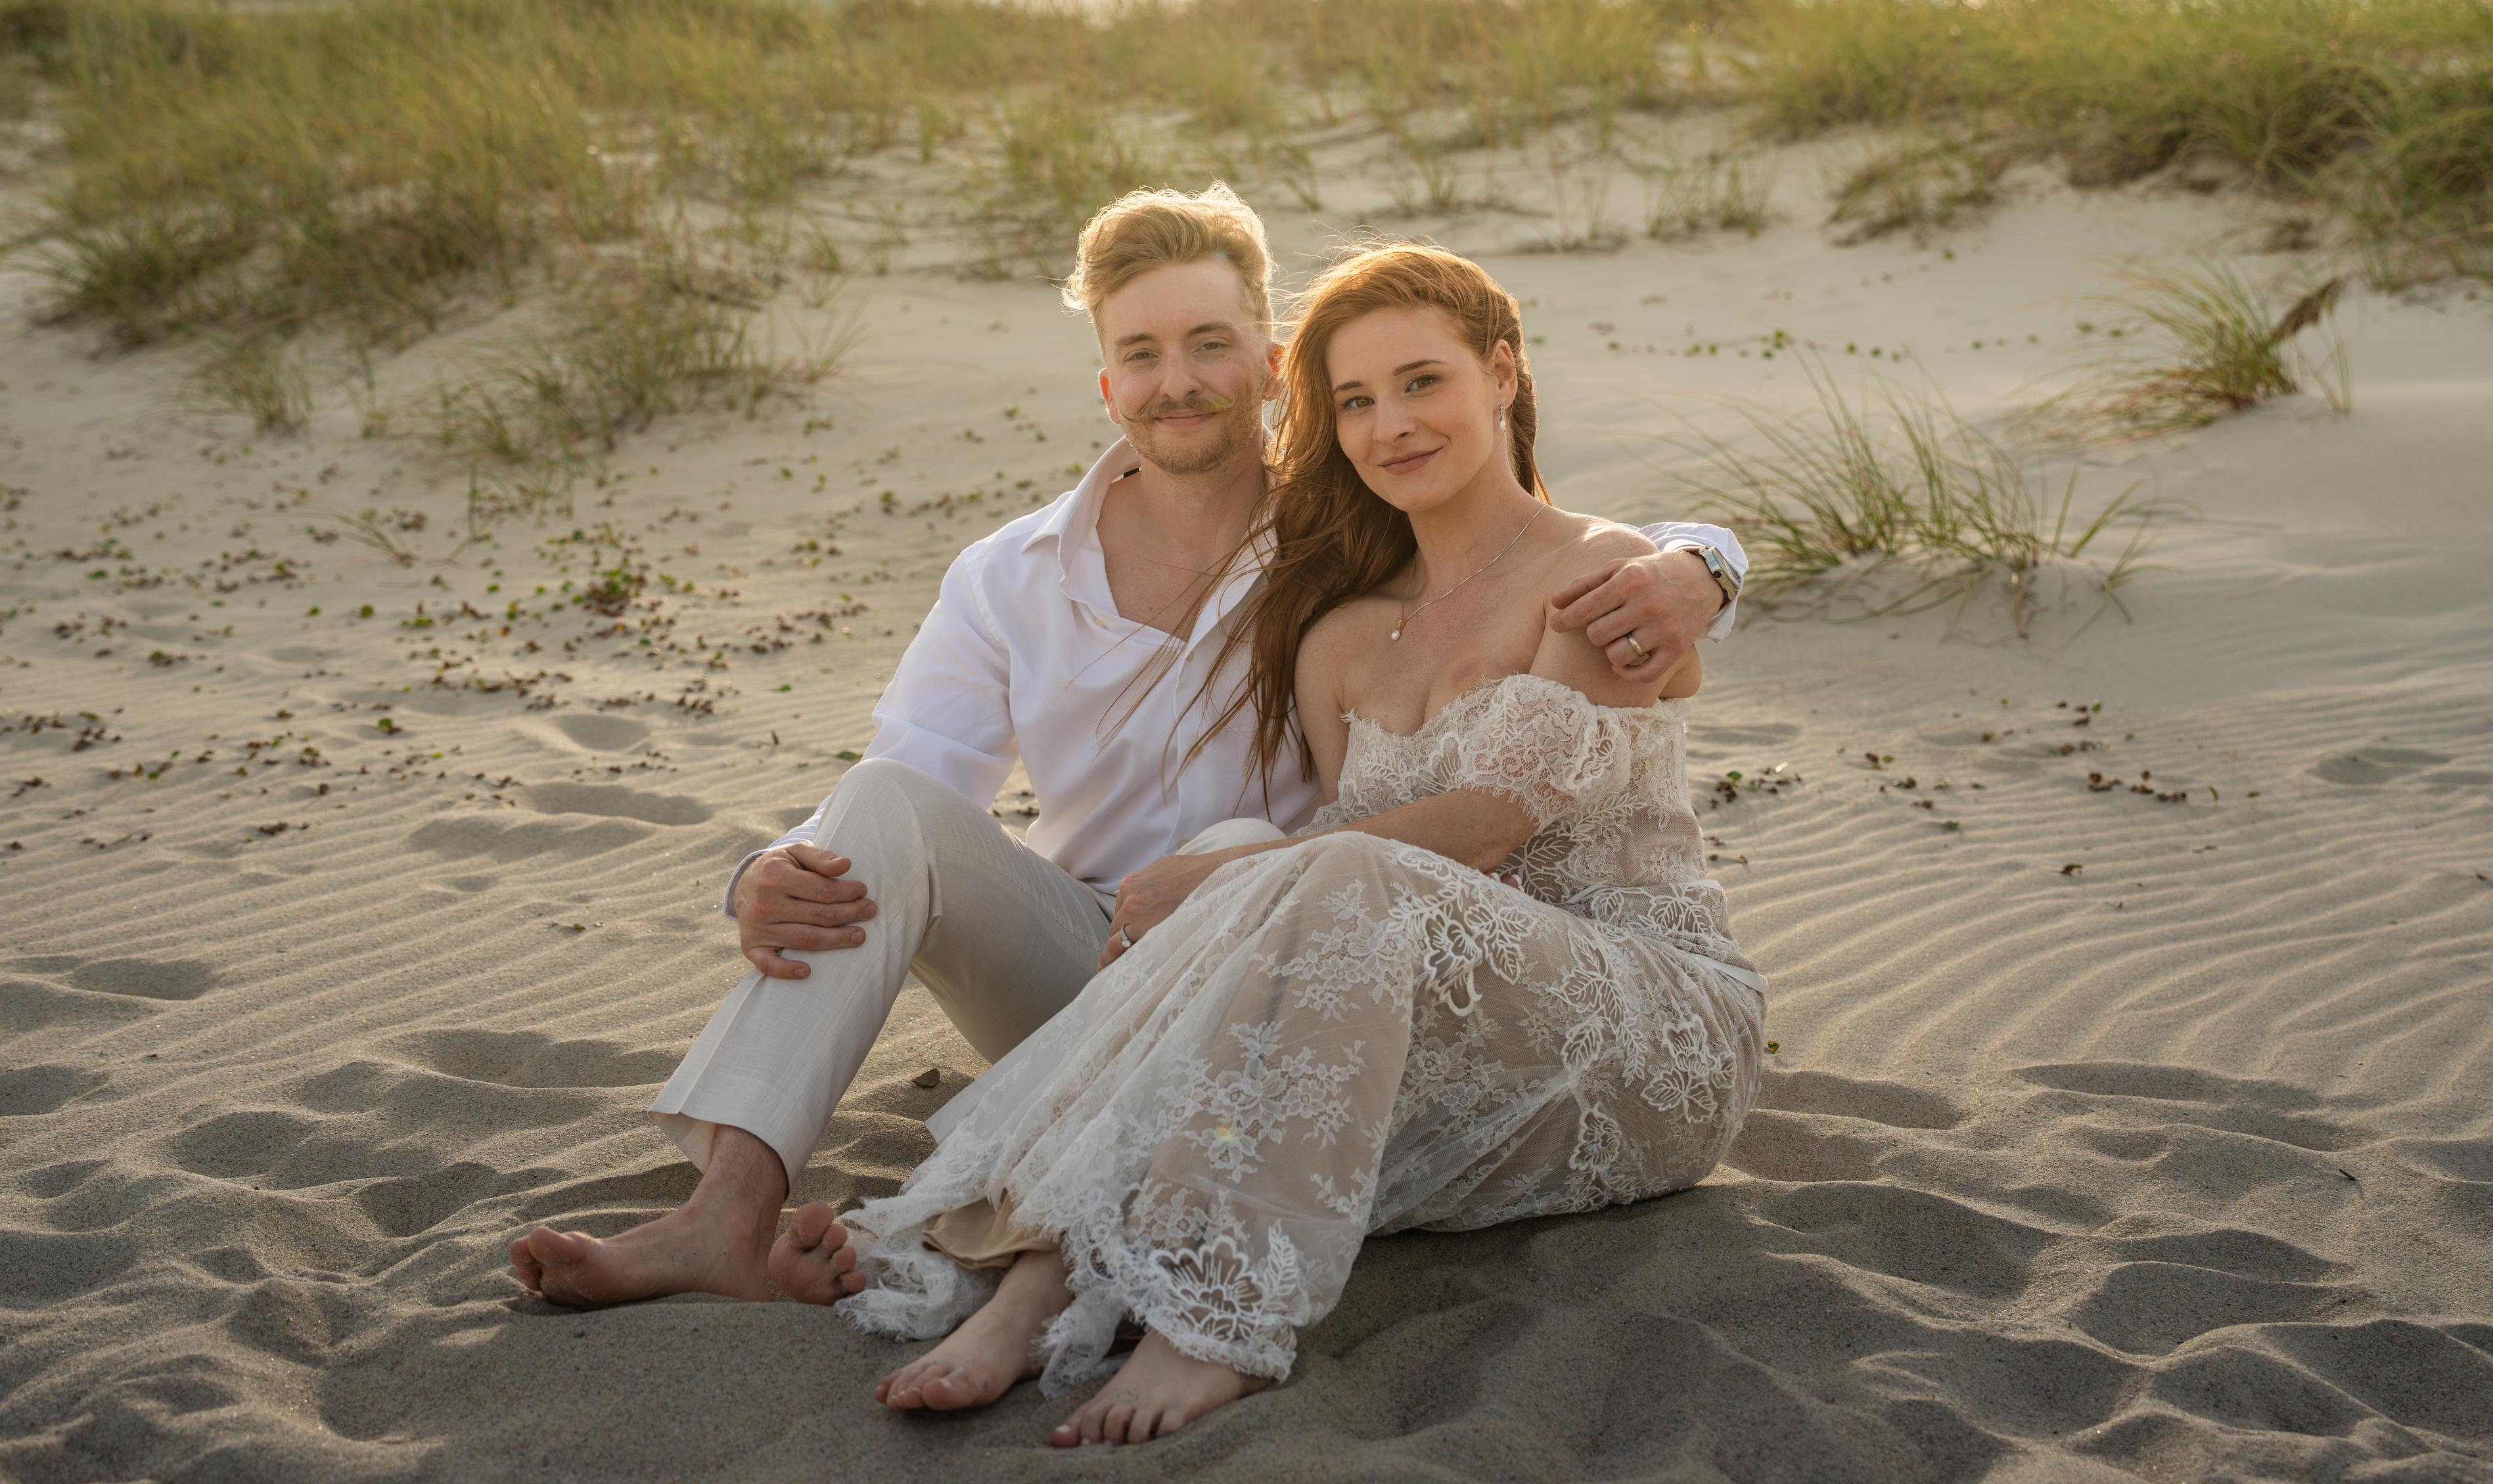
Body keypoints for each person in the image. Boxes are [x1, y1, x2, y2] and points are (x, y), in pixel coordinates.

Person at [507, 187, 1748, 1309]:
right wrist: (767, 870)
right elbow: (918, 784)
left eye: (1212, 346)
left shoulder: (1346, 532)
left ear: (1269, 368)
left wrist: (1704, 567)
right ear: (1107, 386)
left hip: (1270, 970)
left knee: (1244, 839)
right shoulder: (1008, 575)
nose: (1179, 381)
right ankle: (723, 1217)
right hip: (1077, 957)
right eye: (1142, 355)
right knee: (877, 800)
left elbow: (1522, 532)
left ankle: (1039, 1234)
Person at [775, 242, 1765, 1446]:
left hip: (1639, 1018)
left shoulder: (1612, 572)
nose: (1390, 424)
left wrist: (1714, 561)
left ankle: (1211, 1324)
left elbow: (1492, 825)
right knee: (1280, 945)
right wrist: (1241, 877)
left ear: (1503, 376)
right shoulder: (1342, 637)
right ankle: (1040, 1276)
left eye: (1423, 383)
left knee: (1312, 869)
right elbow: (1344, 872)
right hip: (1451, 1025)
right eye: (1354, 402)